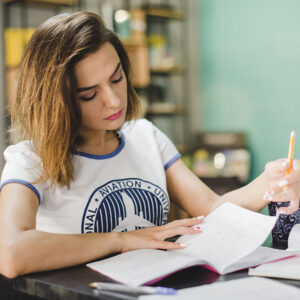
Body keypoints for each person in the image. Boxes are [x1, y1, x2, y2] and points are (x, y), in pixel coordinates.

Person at [0, 11, 299, 279]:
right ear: (57, 102)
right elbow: (11, 253)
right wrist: (121, 240)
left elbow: (210, 208)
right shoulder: (30, 159)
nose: (114, 100)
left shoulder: (145, 135)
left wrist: (270, 182)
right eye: (89, 95)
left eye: (116, 78)